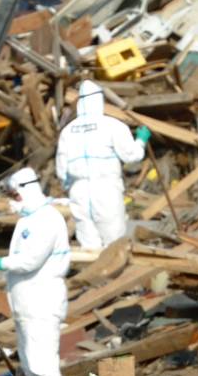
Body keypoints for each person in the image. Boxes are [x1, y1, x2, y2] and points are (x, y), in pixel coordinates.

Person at [0, 168, 70, 376]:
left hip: (42, 298)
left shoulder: (47, 219)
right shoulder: (28, 220)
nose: (13, 201)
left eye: (15, 196)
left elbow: (30, 260)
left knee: (42, 360)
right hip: (26, 302)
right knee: (30, 360)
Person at [54, 81, 147, 250]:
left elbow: (61, 169)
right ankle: (114, 274)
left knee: (89, 243)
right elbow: (131, 156)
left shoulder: (68, 131)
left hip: (79, 191)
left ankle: (93, 275)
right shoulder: (112, 125)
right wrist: (141, 140)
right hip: (106, 189)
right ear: (100, 101)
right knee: (114, 242)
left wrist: (69, 186)